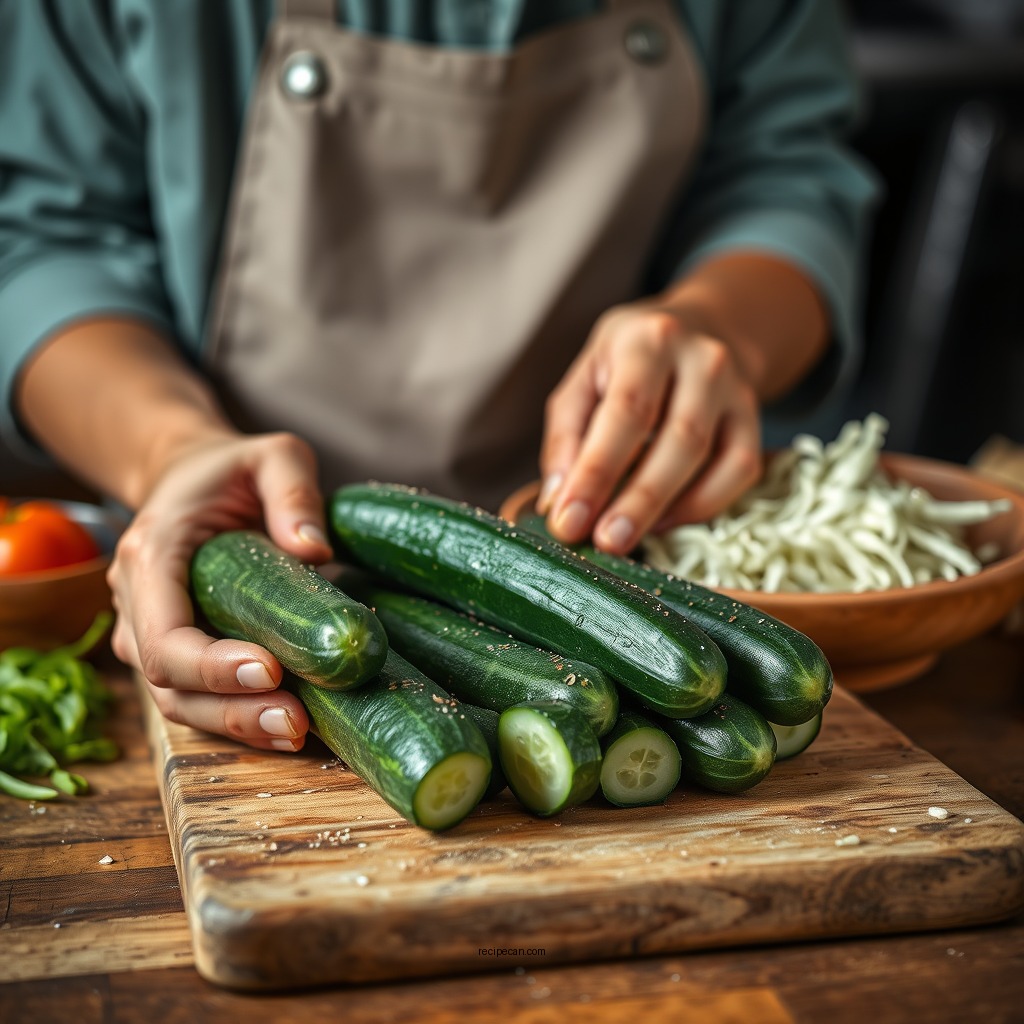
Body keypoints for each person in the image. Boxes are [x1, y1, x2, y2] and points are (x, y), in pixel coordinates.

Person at [0, 1, 877, 752]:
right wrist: (168, 448)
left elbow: (788, 172)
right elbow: (43, 242)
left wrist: (723, 322)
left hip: (617, 546)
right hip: (256, 539)